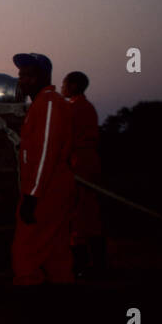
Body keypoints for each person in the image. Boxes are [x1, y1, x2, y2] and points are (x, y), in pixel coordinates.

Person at [10, 53, 76, 287]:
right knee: (56, 251)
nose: (23, 80)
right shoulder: (43, 103)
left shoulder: (48, 103)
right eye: (21, 75)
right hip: (51, 189)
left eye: (29, 75)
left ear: (43, 77)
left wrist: (32, 196)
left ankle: (29, 310)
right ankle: (58, 312)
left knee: (25, 252)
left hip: (46, 191)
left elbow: (46, 151)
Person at [61, 70, 105, 278]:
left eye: (65, 84)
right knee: (90, 214)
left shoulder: (74, 108)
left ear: (74, 86)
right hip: (90, 163)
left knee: (76, 214)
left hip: (79, 163)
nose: (62, 88)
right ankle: (98, 264)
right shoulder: (88, 107)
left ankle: (81, 265)